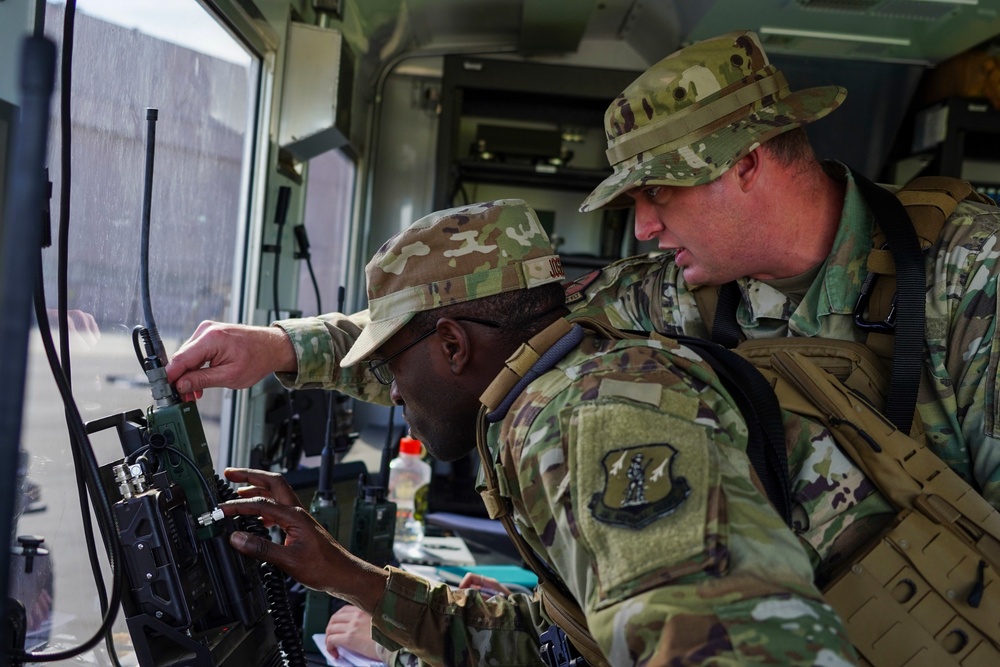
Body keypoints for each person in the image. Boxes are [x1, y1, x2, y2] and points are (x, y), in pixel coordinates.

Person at [217, 199, 859, 665]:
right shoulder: (558, 389)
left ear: (452, 345)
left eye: (389, 364)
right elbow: (564, 645)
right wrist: (347, 575)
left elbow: (730, 649)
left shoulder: (587, 420)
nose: (389, 390)